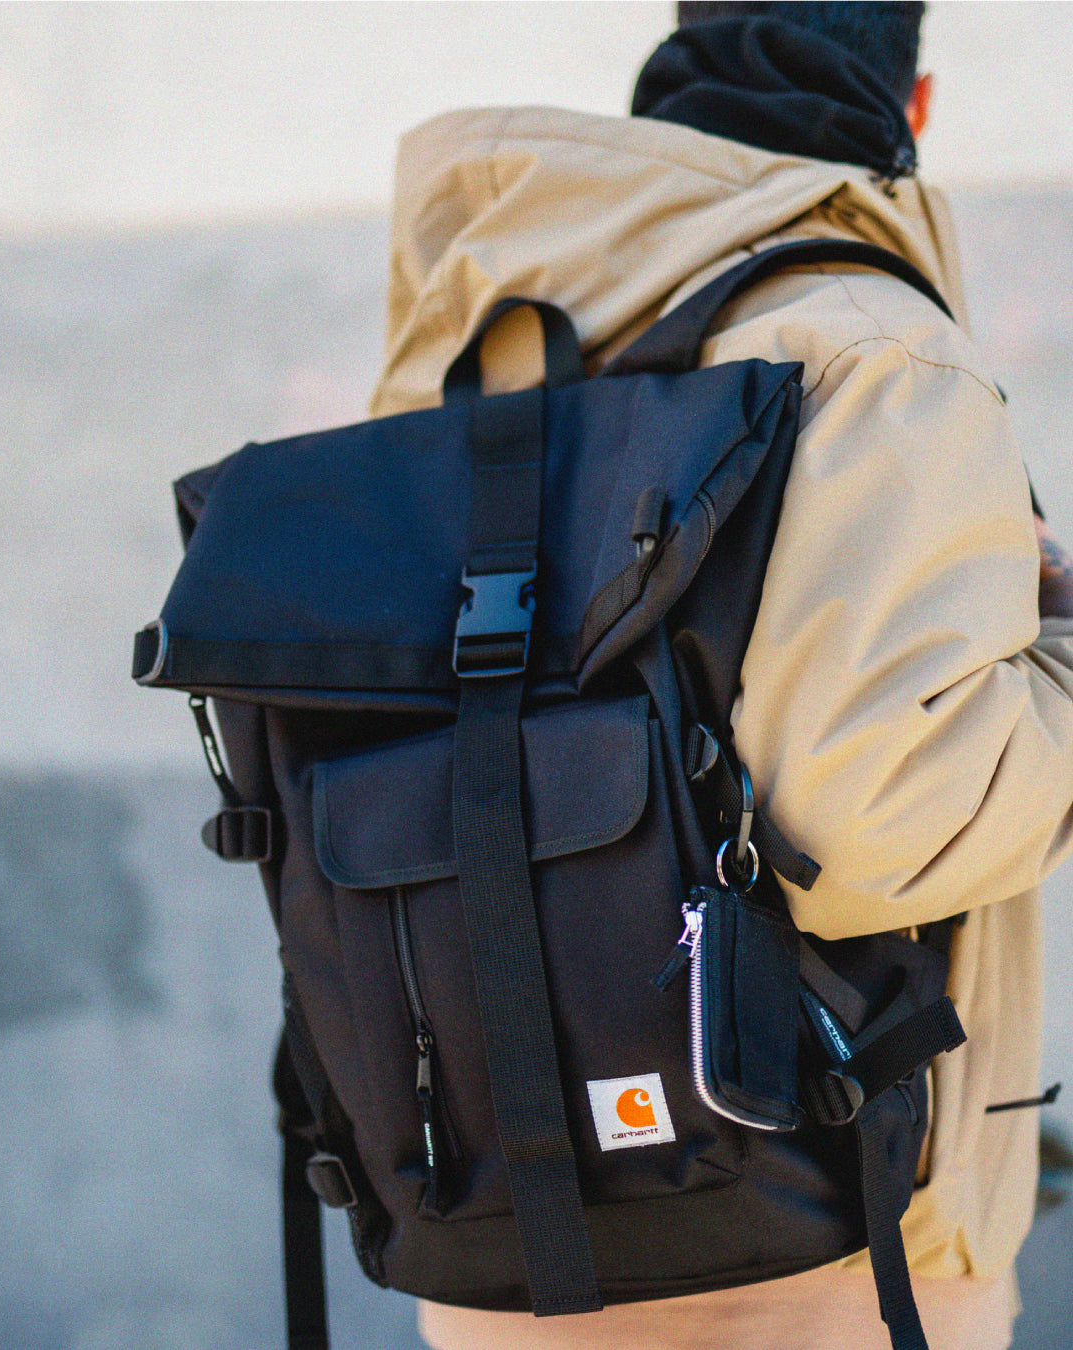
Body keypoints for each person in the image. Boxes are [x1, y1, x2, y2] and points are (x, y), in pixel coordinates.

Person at [367, 4, 1073, 1347]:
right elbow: (881, 821)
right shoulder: (871, 341)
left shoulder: (489, 326)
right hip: (810, 1254)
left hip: (499, 1231)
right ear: (914, 107)